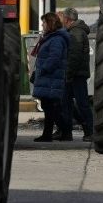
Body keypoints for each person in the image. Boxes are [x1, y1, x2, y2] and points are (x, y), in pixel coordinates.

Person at [30, 12, 70, 142]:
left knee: (51, 107)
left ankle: (54, 133)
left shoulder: (56, 39)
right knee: (50, 107)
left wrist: (43, 70)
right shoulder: (50, 38)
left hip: (51, 77)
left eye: (44, 22)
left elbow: (55, 58)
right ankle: (62, 132)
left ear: (50, 23)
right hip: (48, 77)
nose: (42, 24)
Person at [59, 7, 94, 142]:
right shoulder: (73, 31)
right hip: (74, 73)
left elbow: (74, 56)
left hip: (76, 74)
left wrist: (68, 73)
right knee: (66, 102)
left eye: (62, 18)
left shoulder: (76, 32)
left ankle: (90, 131)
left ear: (67, 19)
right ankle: (66, 132)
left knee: (82, 103)